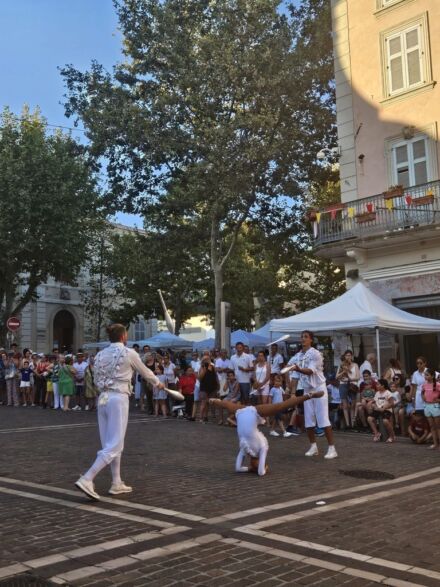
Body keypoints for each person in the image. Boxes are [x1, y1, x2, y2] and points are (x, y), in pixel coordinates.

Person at [75, 324, 165, 501]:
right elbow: (145, 371)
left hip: (102, 399)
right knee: (114, 444)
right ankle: (87, 478)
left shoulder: (100, 355)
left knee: (111, 442)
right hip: (118, 398)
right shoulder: (129, 353)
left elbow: (96, 378)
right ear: (124, 336)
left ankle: (116, 482)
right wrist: (157, 383)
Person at [209, 392, 317, 476]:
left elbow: (261, 472)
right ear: (250, 461)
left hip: (254, 412)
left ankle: (307, 396)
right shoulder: (245, 447)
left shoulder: (262, 448)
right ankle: (214, 401)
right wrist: (249, 469)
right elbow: (238, 468)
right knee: (226, 404)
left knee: (280, 406)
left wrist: (259, 469)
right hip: (241, 412)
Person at [287, 331, 337, 459]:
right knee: (309, 420)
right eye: (302, 337)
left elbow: (310, 371)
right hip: (307, 390)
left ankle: (332, 448)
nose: (303, 339)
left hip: (319, 389)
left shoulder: (316, 354)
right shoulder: (297, 356)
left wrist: (296, 368)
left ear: (311, 340)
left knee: (323, 418)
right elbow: (295, 376)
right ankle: (313, 446)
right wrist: (292, 392)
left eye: (306, 337)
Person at [336, 350, 360, 429]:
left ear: (352, 356)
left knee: (353, 405)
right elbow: (337, 377)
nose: (348, 357)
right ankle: (348, 424)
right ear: (344, 356)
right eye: (347, 355)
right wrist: (343, 371)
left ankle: (353, 424)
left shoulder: (355, 365)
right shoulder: (341, 365)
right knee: (345, 405)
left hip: (352, 385)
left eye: (349, 355)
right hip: (343, 385)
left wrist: (349, 380)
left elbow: (358, 377)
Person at [421, 368, 440, 449]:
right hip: (427, 406)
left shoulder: (437, 385)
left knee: (438, 426)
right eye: (425, 375)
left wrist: (439, 400)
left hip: (435, 406)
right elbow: (422, 393)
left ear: (432, 376)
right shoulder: (424, 384)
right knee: (432, 426)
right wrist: (423, 398)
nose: (425, 376)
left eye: (427, 375)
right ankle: (435, 444)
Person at [198, 352, 219, 422]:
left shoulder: (213, 367)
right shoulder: (202, 367)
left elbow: (216, 376)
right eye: (205, 360)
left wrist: (218, 385)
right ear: (203, 361)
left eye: (208, 359)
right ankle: (201, 417)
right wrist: (204, 369)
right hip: (204, 387)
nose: (207, 360)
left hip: (212, 387)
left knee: (208, 403)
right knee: (203, 402)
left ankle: (205, 416)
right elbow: (200, 378)